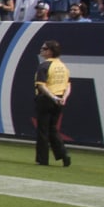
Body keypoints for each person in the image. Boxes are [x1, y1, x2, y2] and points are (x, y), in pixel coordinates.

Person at [33, 39, 72, 167]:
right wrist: (63, 98)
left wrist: (52, 97)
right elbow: (68, 85)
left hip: (46, 99)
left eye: (44, 49)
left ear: (50, 51)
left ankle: (42, 159)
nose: (41, 51)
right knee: (53, 129)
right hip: (59, 99)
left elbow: (41, 86)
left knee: (43, 130)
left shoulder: (44, 66)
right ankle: (63, 154)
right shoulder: (63, 66)